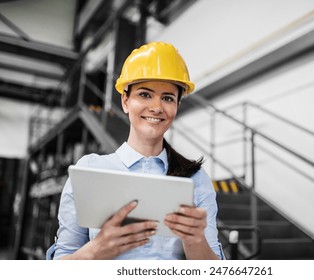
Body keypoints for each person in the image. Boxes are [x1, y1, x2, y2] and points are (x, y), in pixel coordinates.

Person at [46, 41, 225, 260]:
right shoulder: (90, 171)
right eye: (145, 94)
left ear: (177, 106)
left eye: (168, 98)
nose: (156, 107)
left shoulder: (196, 179)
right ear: (125, 101)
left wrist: (194, 240)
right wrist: (97, 249)